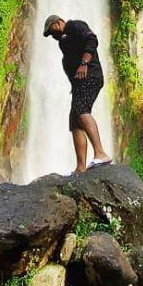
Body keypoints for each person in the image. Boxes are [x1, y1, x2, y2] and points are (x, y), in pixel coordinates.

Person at [43, 14, 113, 173]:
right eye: (49, 34)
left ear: (59, 22)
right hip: (79, 83)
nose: (52, 35)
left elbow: (92, 40)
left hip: (91, 76)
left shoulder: (74, 26)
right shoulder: (63, 42)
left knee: (81, 110)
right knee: (74, 119)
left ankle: (101, 153)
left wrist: (84, 63)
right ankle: (80, 167)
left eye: (52, 30)